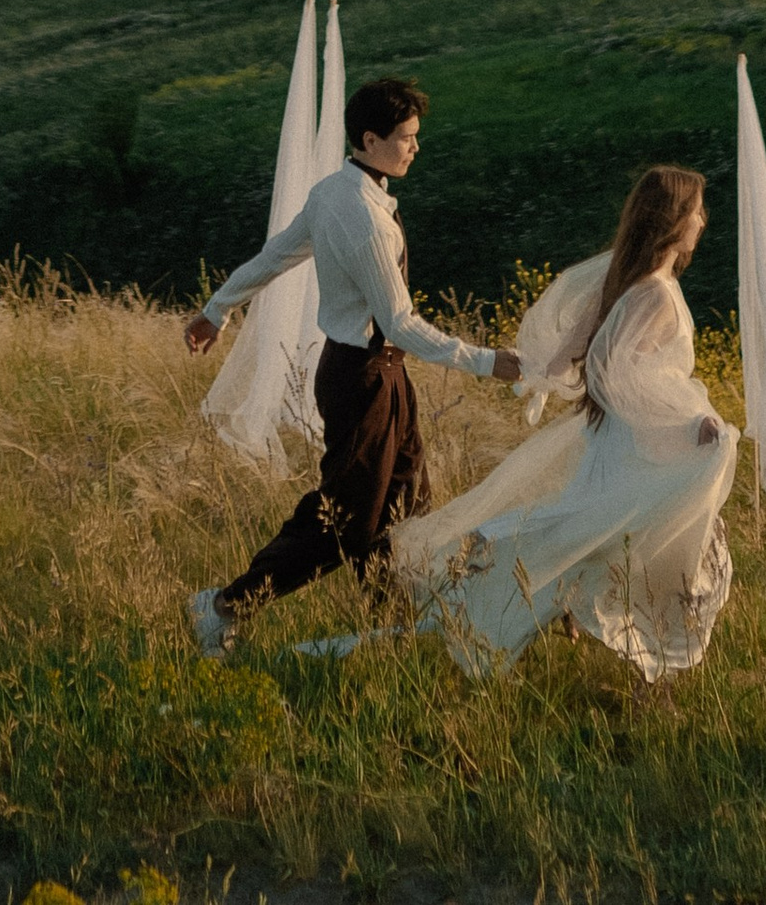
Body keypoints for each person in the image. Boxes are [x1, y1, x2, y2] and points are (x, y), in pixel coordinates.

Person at [183, 73, 522, 650]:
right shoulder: (361, 216)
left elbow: (272, 258)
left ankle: (391, 632)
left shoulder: (331, 193)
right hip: (363, 378)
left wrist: (217, 309)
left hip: (377, 377)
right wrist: (489, 362)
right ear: (370, 139)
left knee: (407, 504)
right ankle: (224, 606)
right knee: (347, 520)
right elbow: (401, 324)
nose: (416, 147)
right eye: (406, 137)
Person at [392, 162, 737, 684]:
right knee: (637, 549)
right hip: (637, 448)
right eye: (694, 211)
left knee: (595, 540)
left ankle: (522, 600)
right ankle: (645, 673)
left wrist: (541, 374)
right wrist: (690, 425)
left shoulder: (627, 278)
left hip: (614, 443)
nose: (703, 221)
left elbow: (576, 356)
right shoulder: (656, 293)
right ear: (671, 221)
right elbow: (614, 372)